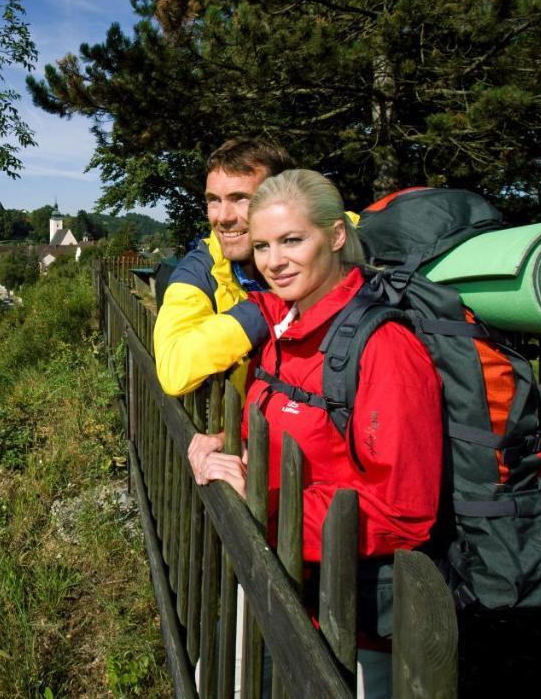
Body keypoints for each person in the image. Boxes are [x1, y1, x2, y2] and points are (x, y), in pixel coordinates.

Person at [187, 169, 443, 699]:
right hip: (275, 584)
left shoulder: (384, 348)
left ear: (336, 235)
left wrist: (266, 502)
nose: (274, 261)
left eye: (292, 240)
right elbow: (282, 428)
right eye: (261, 245)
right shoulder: (285, 328)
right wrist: (221, 446)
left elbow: (405, 510)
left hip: (349, 624)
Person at [153, 139, 296, 397]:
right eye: (214, 200)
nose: (222, 217)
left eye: (240, 199)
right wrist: (268, 306)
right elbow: (174, 369)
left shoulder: (325, 246)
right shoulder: (198, 272)